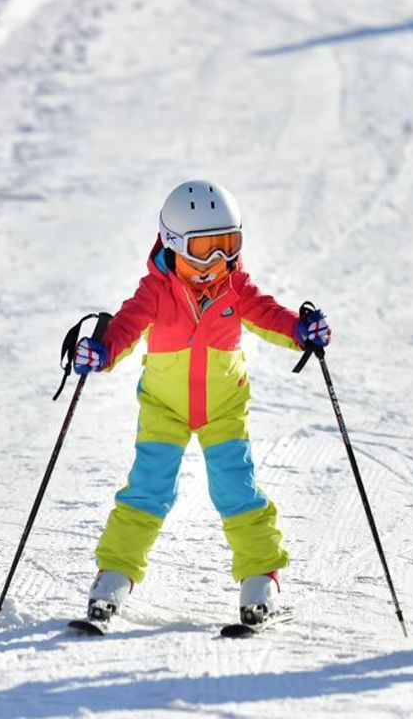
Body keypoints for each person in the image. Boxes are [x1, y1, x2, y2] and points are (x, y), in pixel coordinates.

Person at [71, 179, 332, 626]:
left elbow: (270, 314)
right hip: (163, 408)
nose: (218, 260)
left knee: (234, 489)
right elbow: (125, 327)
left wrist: (300, 331)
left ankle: (260, 578)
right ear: (174, 245)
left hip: (223, 408)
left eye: (227, 245)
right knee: (148, 490)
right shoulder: (155, 291)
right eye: (205, 247)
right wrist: (102, 352)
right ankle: (112, 577)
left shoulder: (235, 288)